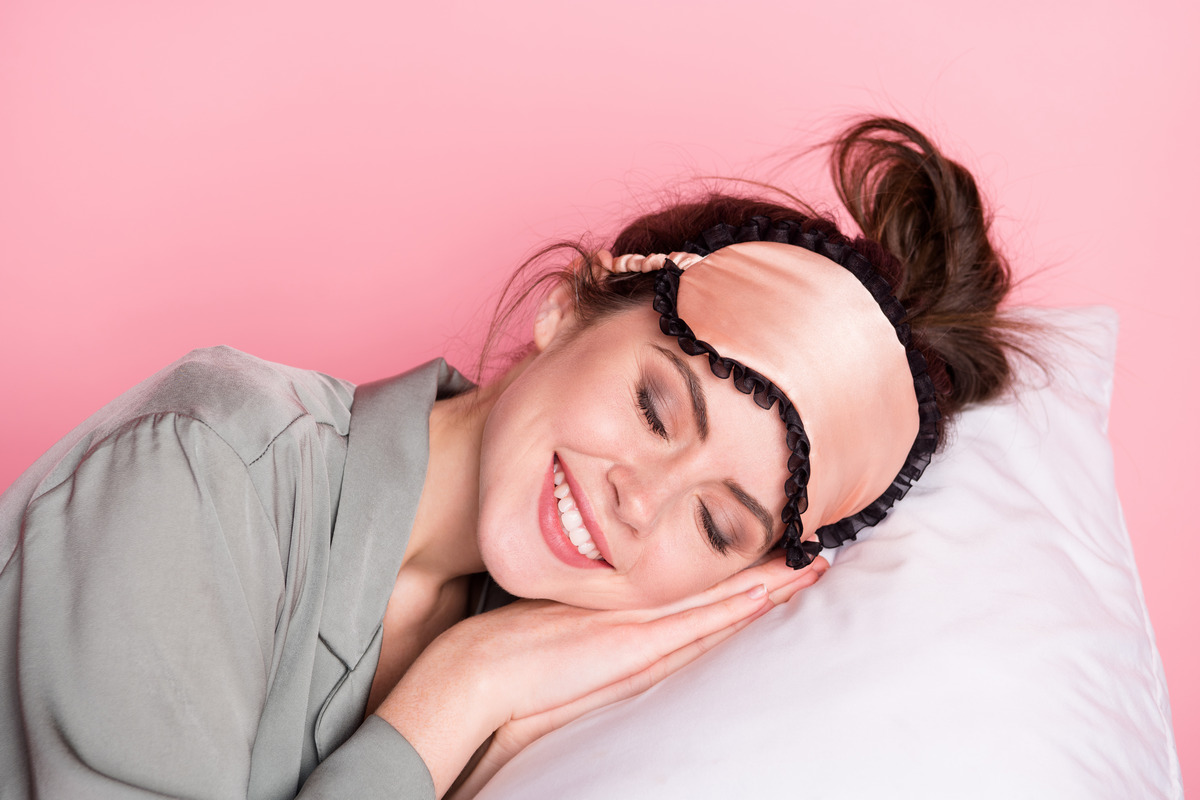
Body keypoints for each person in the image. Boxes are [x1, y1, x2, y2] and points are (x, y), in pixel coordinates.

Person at [0, 117, 1024, 799]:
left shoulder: (563, 690)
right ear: (567, 306)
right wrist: (455, 697)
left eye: (717, 521)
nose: (641, 497)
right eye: (656, 406)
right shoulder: (209, 460)